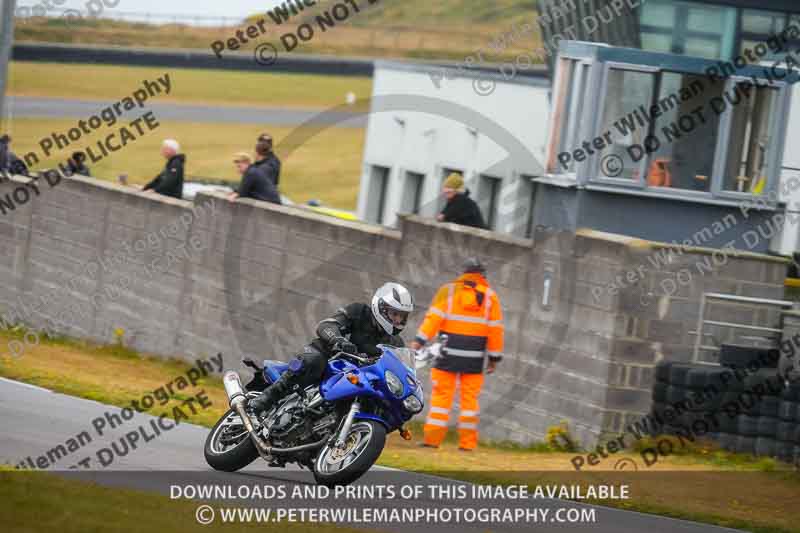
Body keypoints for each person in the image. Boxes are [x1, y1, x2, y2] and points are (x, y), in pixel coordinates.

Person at [249, 283, 414, 415]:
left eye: (402, 316)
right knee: (313, 360)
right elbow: (327, 325)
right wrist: (338, 340)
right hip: (330, 360)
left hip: (357, 378)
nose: (397, 319)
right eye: (394, 314)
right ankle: (266, 398)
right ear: (381, 307)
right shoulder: (360, 312)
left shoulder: (396, 343)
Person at [410, 258, 503, 451]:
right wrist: (494, 358)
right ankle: (467, 444)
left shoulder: (448, 291)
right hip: (474, 358)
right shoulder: (490, 297)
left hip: (447, 354)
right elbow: (495, 331)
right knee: (469, 400)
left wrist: (419, 341)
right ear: (482, 276)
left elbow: (433, 318)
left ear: (464, 273)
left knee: (441, 399)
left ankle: (432, 441)